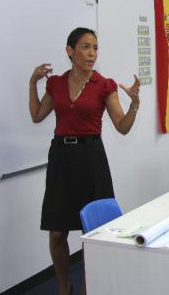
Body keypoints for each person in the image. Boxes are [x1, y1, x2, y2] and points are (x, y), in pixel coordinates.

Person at [29, 27, 140, 295]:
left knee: (95, 233)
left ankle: (92, 287)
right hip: (61, 159)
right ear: (70, 51)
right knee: (57, 233)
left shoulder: (104, 85)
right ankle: (64, 286)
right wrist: (32, 83)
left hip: (91, 159)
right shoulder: (55, 83)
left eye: (95, 48)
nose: (92, 54)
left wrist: (134, 105)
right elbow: (37, 115)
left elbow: (122, 127)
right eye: (85, 47)